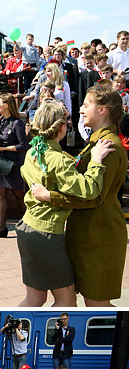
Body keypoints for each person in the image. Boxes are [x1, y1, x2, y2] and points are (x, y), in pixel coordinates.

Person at [32, 84, 127, 306]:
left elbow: (95, 197)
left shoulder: (108, 146)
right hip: (90, 232)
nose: (81, 110)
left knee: (97, 303)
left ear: (102, 110)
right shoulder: (97, 142)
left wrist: (49, 196)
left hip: (100, 235)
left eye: (86, 105)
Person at [18, 101, 113, 308]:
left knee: (35, 298)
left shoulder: (32, 152)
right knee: (67, 300)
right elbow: (89, 190)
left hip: (27, 229)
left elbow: (26, 172)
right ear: (61, 128)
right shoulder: (58, 160)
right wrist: (96, 160)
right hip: (46, 235)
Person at [0, 93, 28, 238]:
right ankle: (1, 227)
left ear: (6, 106)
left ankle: (29, 224)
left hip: (13, 163)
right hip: (1, 162)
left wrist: (4, 149)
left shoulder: (18, 123)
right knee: (0, 192)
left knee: (18, 194)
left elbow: (23, 145)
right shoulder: (2, 121)